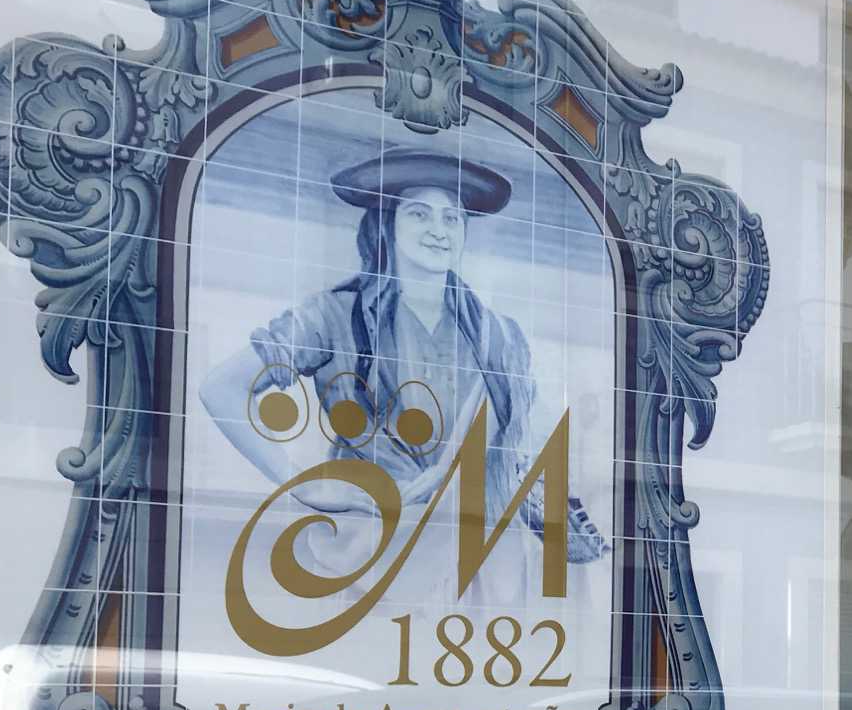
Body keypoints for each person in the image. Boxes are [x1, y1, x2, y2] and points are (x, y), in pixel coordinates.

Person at [199, 145, 605, 607]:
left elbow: (525, 445)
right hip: (367, 560)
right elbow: (221, 388)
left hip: (481, 571)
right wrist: (301, 481)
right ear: (387, 224)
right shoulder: (335, 316)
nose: (438, 230)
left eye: (452, 218)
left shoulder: (499, 336)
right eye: (419, 214)